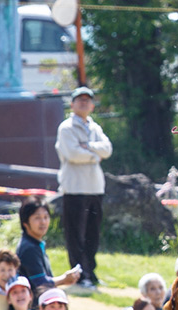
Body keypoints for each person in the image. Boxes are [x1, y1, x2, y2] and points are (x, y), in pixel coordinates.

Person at [55, 86, 112, 290]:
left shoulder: (95, 128)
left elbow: (107, 149)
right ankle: (78, 275)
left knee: (92, 233)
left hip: (95, 187)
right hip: (74, 188)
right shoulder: (66, 128)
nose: (83, 103)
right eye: (79, 100)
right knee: (75, 234)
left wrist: (88, 147)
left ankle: (91, 272)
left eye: (87, 100)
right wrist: (94, 153)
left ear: (92, 105)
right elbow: (72, 154)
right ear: (72, 104)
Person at [16, 200, 81, 299]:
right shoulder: (29, 248)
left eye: (46, 217)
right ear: (25, 222)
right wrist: (64, 279)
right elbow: (40, 283)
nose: (43, 222)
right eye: (37, 218)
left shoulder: (35, 243)